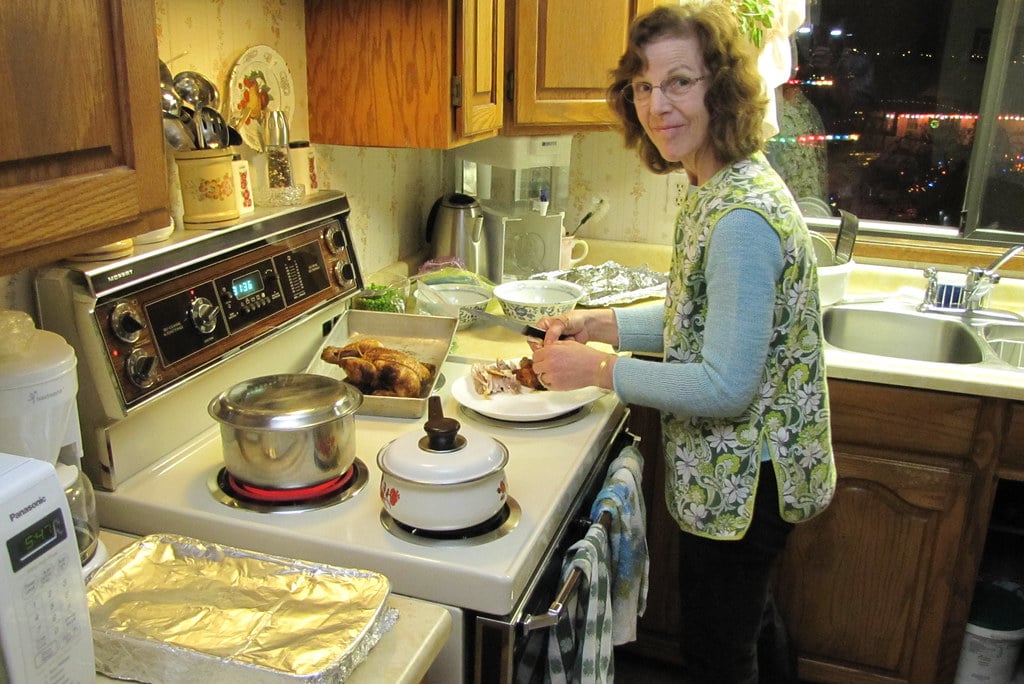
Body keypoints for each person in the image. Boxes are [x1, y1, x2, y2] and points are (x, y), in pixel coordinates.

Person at [528, 4, 838, 682]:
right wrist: (607, 324)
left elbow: (724, 383)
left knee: (720, 653)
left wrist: (600, 369)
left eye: (680, 82)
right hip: (737, 472)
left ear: (721, 89)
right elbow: (697, 318)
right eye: (643, 85)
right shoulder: (713, 184)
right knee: (751, 621)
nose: (656, 104)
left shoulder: (743, 218)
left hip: (747, 482)